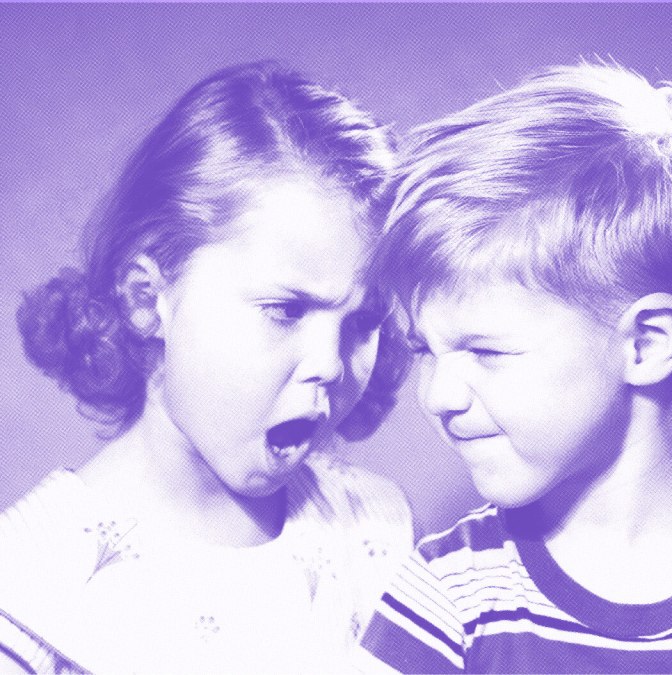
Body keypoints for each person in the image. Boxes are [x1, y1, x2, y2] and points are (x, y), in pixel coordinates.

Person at [354, 62, 672, 674]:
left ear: (645, 344)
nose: (438, 395)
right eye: (426, 350)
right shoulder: (449, 591)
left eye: (486, 351)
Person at [0, 61, 413, 674]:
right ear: (148, 299)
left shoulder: (374, 530)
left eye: (361, 323)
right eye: (285, 309)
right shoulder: (34, 586)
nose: (329, 365)